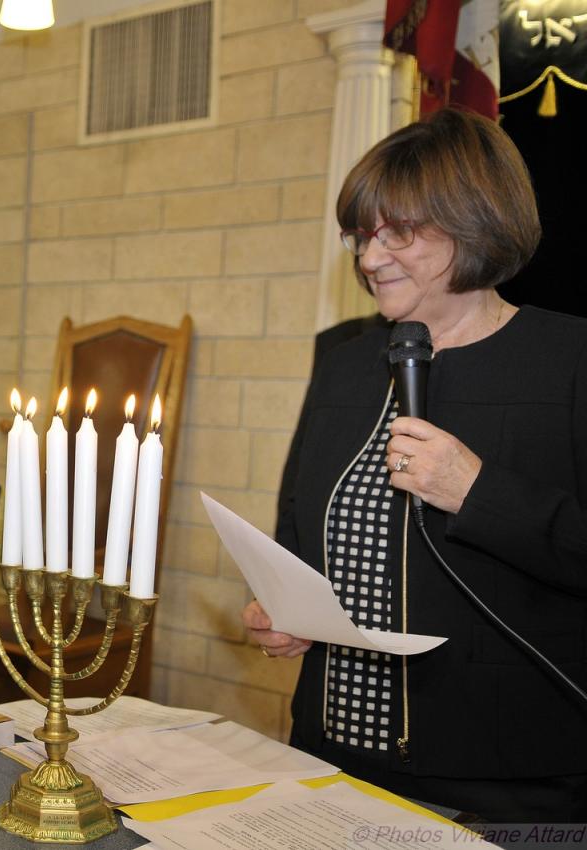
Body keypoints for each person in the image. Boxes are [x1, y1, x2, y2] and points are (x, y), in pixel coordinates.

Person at [244, 107, 587, 823]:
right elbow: (298, 535)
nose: (370, 259)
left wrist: (479, 493)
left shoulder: (571, 361)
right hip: (331, 756)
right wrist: (287, 609)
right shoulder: (342, 365)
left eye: (399, 232)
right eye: (362, 235)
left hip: (508, 782)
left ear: (476, 220)